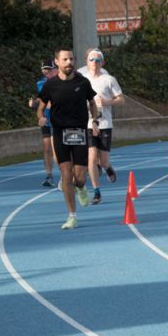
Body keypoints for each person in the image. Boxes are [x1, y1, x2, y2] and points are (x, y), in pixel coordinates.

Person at [38, 48, 101, 230]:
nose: (69, 63)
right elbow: (40, 108)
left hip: (80, 132)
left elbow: (92, 103)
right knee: (66, 173)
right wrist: (41, 117)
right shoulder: (50, 85)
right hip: (59, 133)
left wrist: (94, 120)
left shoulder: (83, 82)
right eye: (65, 59)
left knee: (79, 176)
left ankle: (81, 187)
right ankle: (72, 216)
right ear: (57, 62)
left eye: (71, 59)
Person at [83, 48, 124, 205]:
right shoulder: (83, 80)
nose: (95, 63)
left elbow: (121, 99)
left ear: (102, 62)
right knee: (92, 158)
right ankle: (97, 192)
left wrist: (107, 102)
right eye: (92, 60)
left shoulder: (109, 79)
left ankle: (107, 168)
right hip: (88, 124)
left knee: (104, 160)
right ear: (87, 62)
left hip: (105, 124)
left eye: (98, 60)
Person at [32, 61, 56, 188]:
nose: (46, 71)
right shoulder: (40, 83)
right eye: (44, 69)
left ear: (54, 69)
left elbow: (51, 101)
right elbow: (42, 99)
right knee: (47, 148)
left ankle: (68, 173)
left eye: (49, 69)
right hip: (46, 119)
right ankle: (49, 175)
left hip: (59, 119)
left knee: (58, 149)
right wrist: (34, 103)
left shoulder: (60, 81)